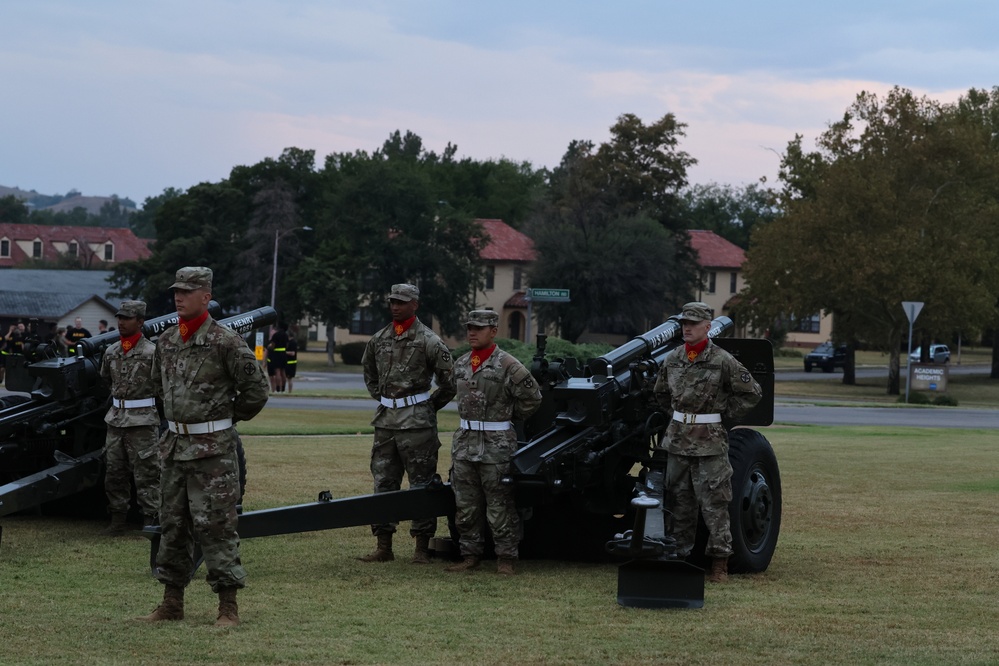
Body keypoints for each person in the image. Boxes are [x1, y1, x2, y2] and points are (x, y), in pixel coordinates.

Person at [139, 267, 269, 627]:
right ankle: (171, 603)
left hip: (213, 453)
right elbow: (157, 389)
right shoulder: (166, 342)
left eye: (187, 291)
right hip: (175, 447)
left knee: (216, 526)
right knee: (173, 525)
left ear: (206, 296)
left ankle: (228, 608)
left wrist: (221, 421)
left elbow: (256, 392)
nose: (179, 297)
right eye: (176, 291)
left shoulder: (225, 342)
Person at [653, 302, 762, 583]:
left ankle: (719, 563)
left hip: (710, 444)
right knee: (679, 504)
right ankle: (678, 559)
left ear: (707, 327)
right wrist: (680, 419)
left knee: (715, 503)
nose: (686, 328)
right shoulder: (673, 359)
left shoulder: (722, 360)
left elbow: (752, 393)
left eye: (692, 323)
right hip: (678, 443)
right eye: (683, 323)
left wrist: (722, 417)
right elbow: (661, 394)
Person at [360, 283, 456, 564]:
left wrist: (427, 408)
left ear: (415, 304)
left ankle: (421, 548)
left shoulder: (429, 341)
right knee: (383, 482)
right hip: (386, 423)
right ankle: (383, 546)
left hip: (417, 427)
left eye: (401, 302)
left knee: (422, 486)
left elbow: (449, 382)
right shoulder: (379, 338)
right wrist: (382, 396)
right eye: (392, 301)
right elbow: (369, 371)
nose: (395, 306)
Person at [446, 310, 542, 575]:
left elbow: (533, 398)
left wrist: (509, 417)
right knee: (466, 505)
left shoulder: (509, 365)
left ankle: (506, 558)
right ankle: (469, 555)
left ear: (493, 331)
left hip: (496, 446)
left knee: (500, 504)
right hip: (465, 444)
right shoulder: (462, 363)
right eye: (469, 328)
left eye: (478, 328)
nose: (472, 332)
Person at [97, 300, 161, 535]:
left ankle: (150, 520)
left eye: (127, 318)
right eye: (120, 318)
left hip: (143, 422)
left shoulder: (153, 352)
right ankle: (118, 520)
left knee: (147, 474)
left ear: (141, 322)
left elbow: (162, 385)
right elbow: (106, 379)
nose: (121, 322)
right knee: (114, 472)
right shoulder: (111, 351)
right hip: (116, 420)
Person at [267, 323, 289, 393]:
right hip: (283, 353)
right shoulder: (286, 335)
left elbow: (273, 345)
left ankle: (278, 388)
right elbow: (287, 345)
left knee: (277, 371)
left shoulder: (276, 335)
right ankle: (283, 388)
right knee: (283, 371)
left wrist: (269, 347)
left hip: (277, 354)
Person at [284, 326, 299, 394]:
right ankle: (286, 391)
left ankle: (290, 391)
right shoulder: (289, 342)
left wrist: (284, 352)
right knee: (286, 377)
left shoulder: (293, 343)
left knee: (289, 378)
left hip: (291, 363)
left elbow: (293, 353)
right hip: (287, 363)